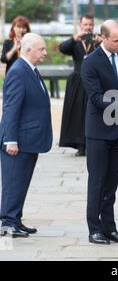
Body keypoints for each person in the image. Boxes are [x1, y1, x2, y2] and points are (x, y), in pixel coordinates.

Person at [81, 19, 118, 245]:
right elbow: (95, 96)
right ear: (102, 38)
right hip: (98, 131)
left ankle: (110, 228)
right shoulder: (90, 62)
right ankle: (94, 229)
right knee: (97, 181)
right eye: (115, 41)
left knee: (111, 183)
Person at [0, 33, 52, 238]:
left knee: (21, 182)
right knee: (13, 182)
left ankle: (15, 219)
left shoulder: (29, 69)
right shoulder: (18, 71)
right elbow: (11, 109)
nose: (45, 53)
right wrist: (10, 139)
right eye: (42, 49)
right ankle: (7, 222)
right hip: (18, 140)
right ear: (28, 49)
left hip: (29, 139)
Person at [59, 14, 101, 157]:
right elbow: (62, 49)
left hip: (93, 81)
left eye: (91, 25)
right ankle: (80, 145)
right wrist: (74, 38)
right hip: (77, 81)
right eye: (86, 25)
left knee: (92, 111)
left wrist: (101, 43)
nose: (88, 27)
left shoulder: (96, 42)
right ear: (80, 25)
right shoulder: (75, 42)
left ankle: (91, 142)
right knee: (77, 113)